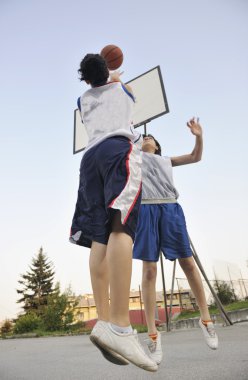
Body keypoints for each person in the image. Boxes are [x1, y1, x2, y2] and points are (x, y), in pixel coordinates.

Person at [69, 53, 157, 372]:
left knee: (99, 237)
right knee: (122, 228)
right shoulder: (122, 90)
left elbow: (100, 84)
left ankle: (104, 320)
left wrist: (106, 73)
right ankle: (121, 326)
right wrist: (117, 75)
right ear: (107, 72)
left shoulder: (83, 100)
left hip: (89, 160)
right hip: (117, 151)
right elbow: (124, 88)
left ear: (86, 79)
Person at [133, 118, 218, 365]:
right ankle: (152, 334)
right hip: (146, 211)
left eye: (152, 139)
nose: (148, 139)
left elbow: (195, 157)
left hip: (169, 209)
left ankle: (206, 320)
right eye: (145, 138)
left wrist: (198, 136)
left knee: (188, 264)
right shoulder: (134, 160)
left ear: (158, 147)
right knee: (149, 271)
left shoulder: (166, 161)